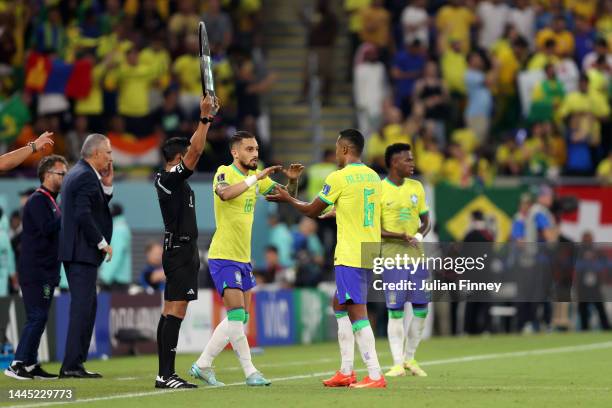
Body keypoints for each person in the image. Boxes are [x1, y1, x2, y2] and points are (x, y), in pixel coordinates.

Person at [266, 129, 386, 389]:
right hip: (368, 250)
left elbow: (310, 211)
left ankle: (375, 375)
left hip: (351, 253)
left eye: (336, 146)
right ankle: (346, 371)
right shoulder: (374, 176)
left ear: (344, 149)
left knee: (357, 313)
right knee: (339, 306)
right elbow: (367, 210)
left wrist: (288, 198)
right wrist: (338, 211)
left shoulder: (339, 177)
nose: (334, 151)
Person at [190, 131, 303, 387]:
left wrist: (293, 183)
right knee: (237, 316)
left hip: (243, 258)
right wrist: (255, 178)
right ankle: (251, 372)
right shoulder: (224, 172)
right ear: (235, 152)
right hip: (223, 255)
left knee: (238, 320)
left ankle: (203, 364)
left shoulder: (256, 177)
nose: (255, 153)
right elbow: (225, 194)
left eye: (256, 149)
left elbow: (285, 194)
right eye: (249, 149)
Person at [153, 94, 217, 389]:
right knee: (175, 312)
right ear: (178, 159)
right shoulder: (168, 180)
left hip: (184, 249)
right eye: (187, 154)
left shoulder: (175, 181)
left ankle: (163, 374)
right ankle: (166, 374)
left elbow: (193, 150)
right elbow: (195, 152)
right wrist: (204, 118)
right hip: (178, 250)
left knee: (171, 311)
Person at [4, 155, 68, 380]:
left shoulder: (51, 201)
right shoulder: (38, 200)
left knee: (40, 317)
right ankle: (17, 363)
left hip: (47, 270)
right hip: (35, 270)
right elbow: (46, 229)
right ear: (48, 174)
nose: (65, 178)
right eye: (62, 174)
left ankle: (30, 363)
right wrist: (67, 212)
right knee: (37, 316)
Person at [58, 133, 114, 379]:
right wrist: (102, 242)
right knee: (82, 308)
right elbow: (83, 214)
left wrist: (107, 186)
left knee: (86, 307)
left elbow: (92, 206)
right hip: (82, 253)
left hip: (77, 252)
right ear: (96, 154)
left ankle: (75, 364)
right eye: (109, 152)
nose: (111, 158)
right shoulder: (85, 177)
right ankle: (71, 365)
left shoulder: (79, 173)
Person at [379, 144, 431, 378]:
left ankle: (410, 357)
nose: (412, 164)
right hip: (392, 259)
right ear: (394, 163)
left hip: (417, 259)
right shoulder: (379, 189)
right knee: (396, 310)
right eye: (407, 160)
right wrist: (399, 236)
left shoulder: (416, 187)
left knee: (421, 309)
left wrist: (419, 235)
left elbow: (426, 221)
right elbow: (373, 228)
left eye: (412, 160)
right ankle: (397, 362)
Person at [99, 203, 132, 291]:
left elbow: (115, 253)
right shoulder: (121, 227)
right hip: (118, 280)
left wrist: (105, 276)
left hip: (115, 281)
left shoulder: (118, 229)